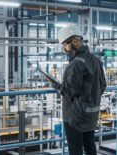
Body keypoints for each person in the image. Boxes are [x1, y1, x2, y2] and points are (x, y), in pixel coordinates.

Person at [49, 26, 107, 155]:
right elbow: (103, 85)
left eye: (65, 44)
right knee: (90, 146)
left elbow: (69, 91)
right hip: (91, 115)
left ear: (74, 42)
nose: (64, 49)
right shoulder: (96, 61)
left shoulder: (76, 63)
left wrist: (56, 85)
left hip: (74, 117)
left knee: (75, 150)